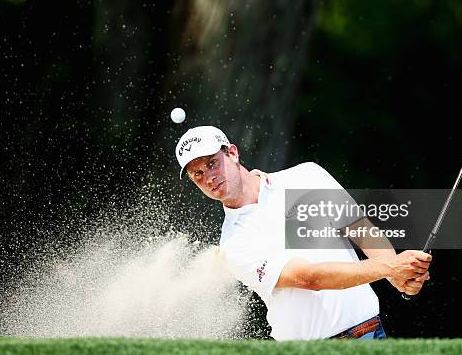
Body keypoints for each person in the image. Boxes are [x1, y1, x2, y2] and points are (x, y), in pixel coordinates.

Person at [175, 125, 431, 341]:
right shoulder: (233, 245)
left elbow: (359, 228)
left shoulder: (307, 176)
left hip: (371, 333)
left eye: (212, 164)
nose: (209, 177)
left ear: (232, 153)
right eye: (198, 174)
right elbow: (309, 278)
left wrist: (398, 276)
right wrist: (390, 268)